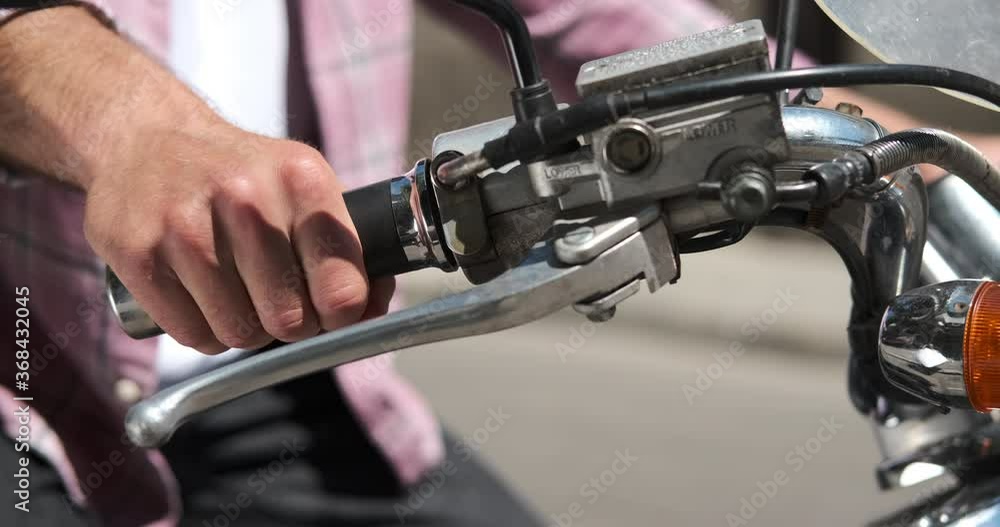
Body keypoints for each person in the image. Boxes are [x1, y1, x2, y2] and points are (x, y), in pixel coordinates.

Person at [0, 1, 996, 526]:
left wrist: (918, 146)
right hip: (30, 396)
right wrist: (133, 127)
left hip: (292, 378)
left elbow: (617, 23)